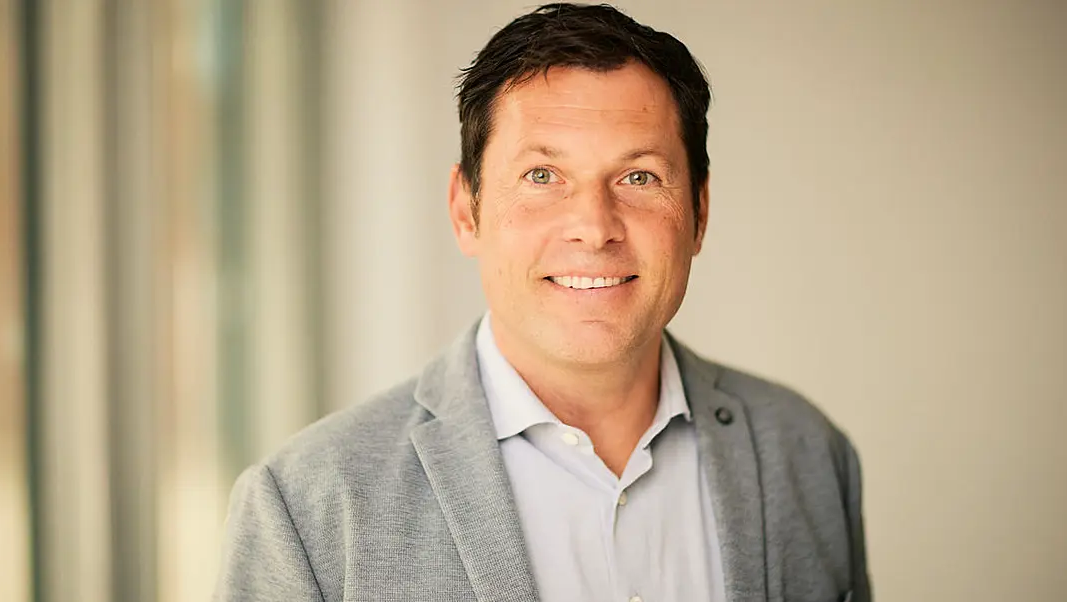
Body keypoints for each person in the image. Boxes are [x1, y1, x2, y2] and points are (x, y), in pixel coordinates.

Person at [213, 4, 870, 601]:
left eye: (639, 176)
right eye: (542, 176)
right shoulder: (306, 507)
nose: (594, 225)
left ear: (698, 212)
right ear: (465, 209)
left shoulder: (807, 454)